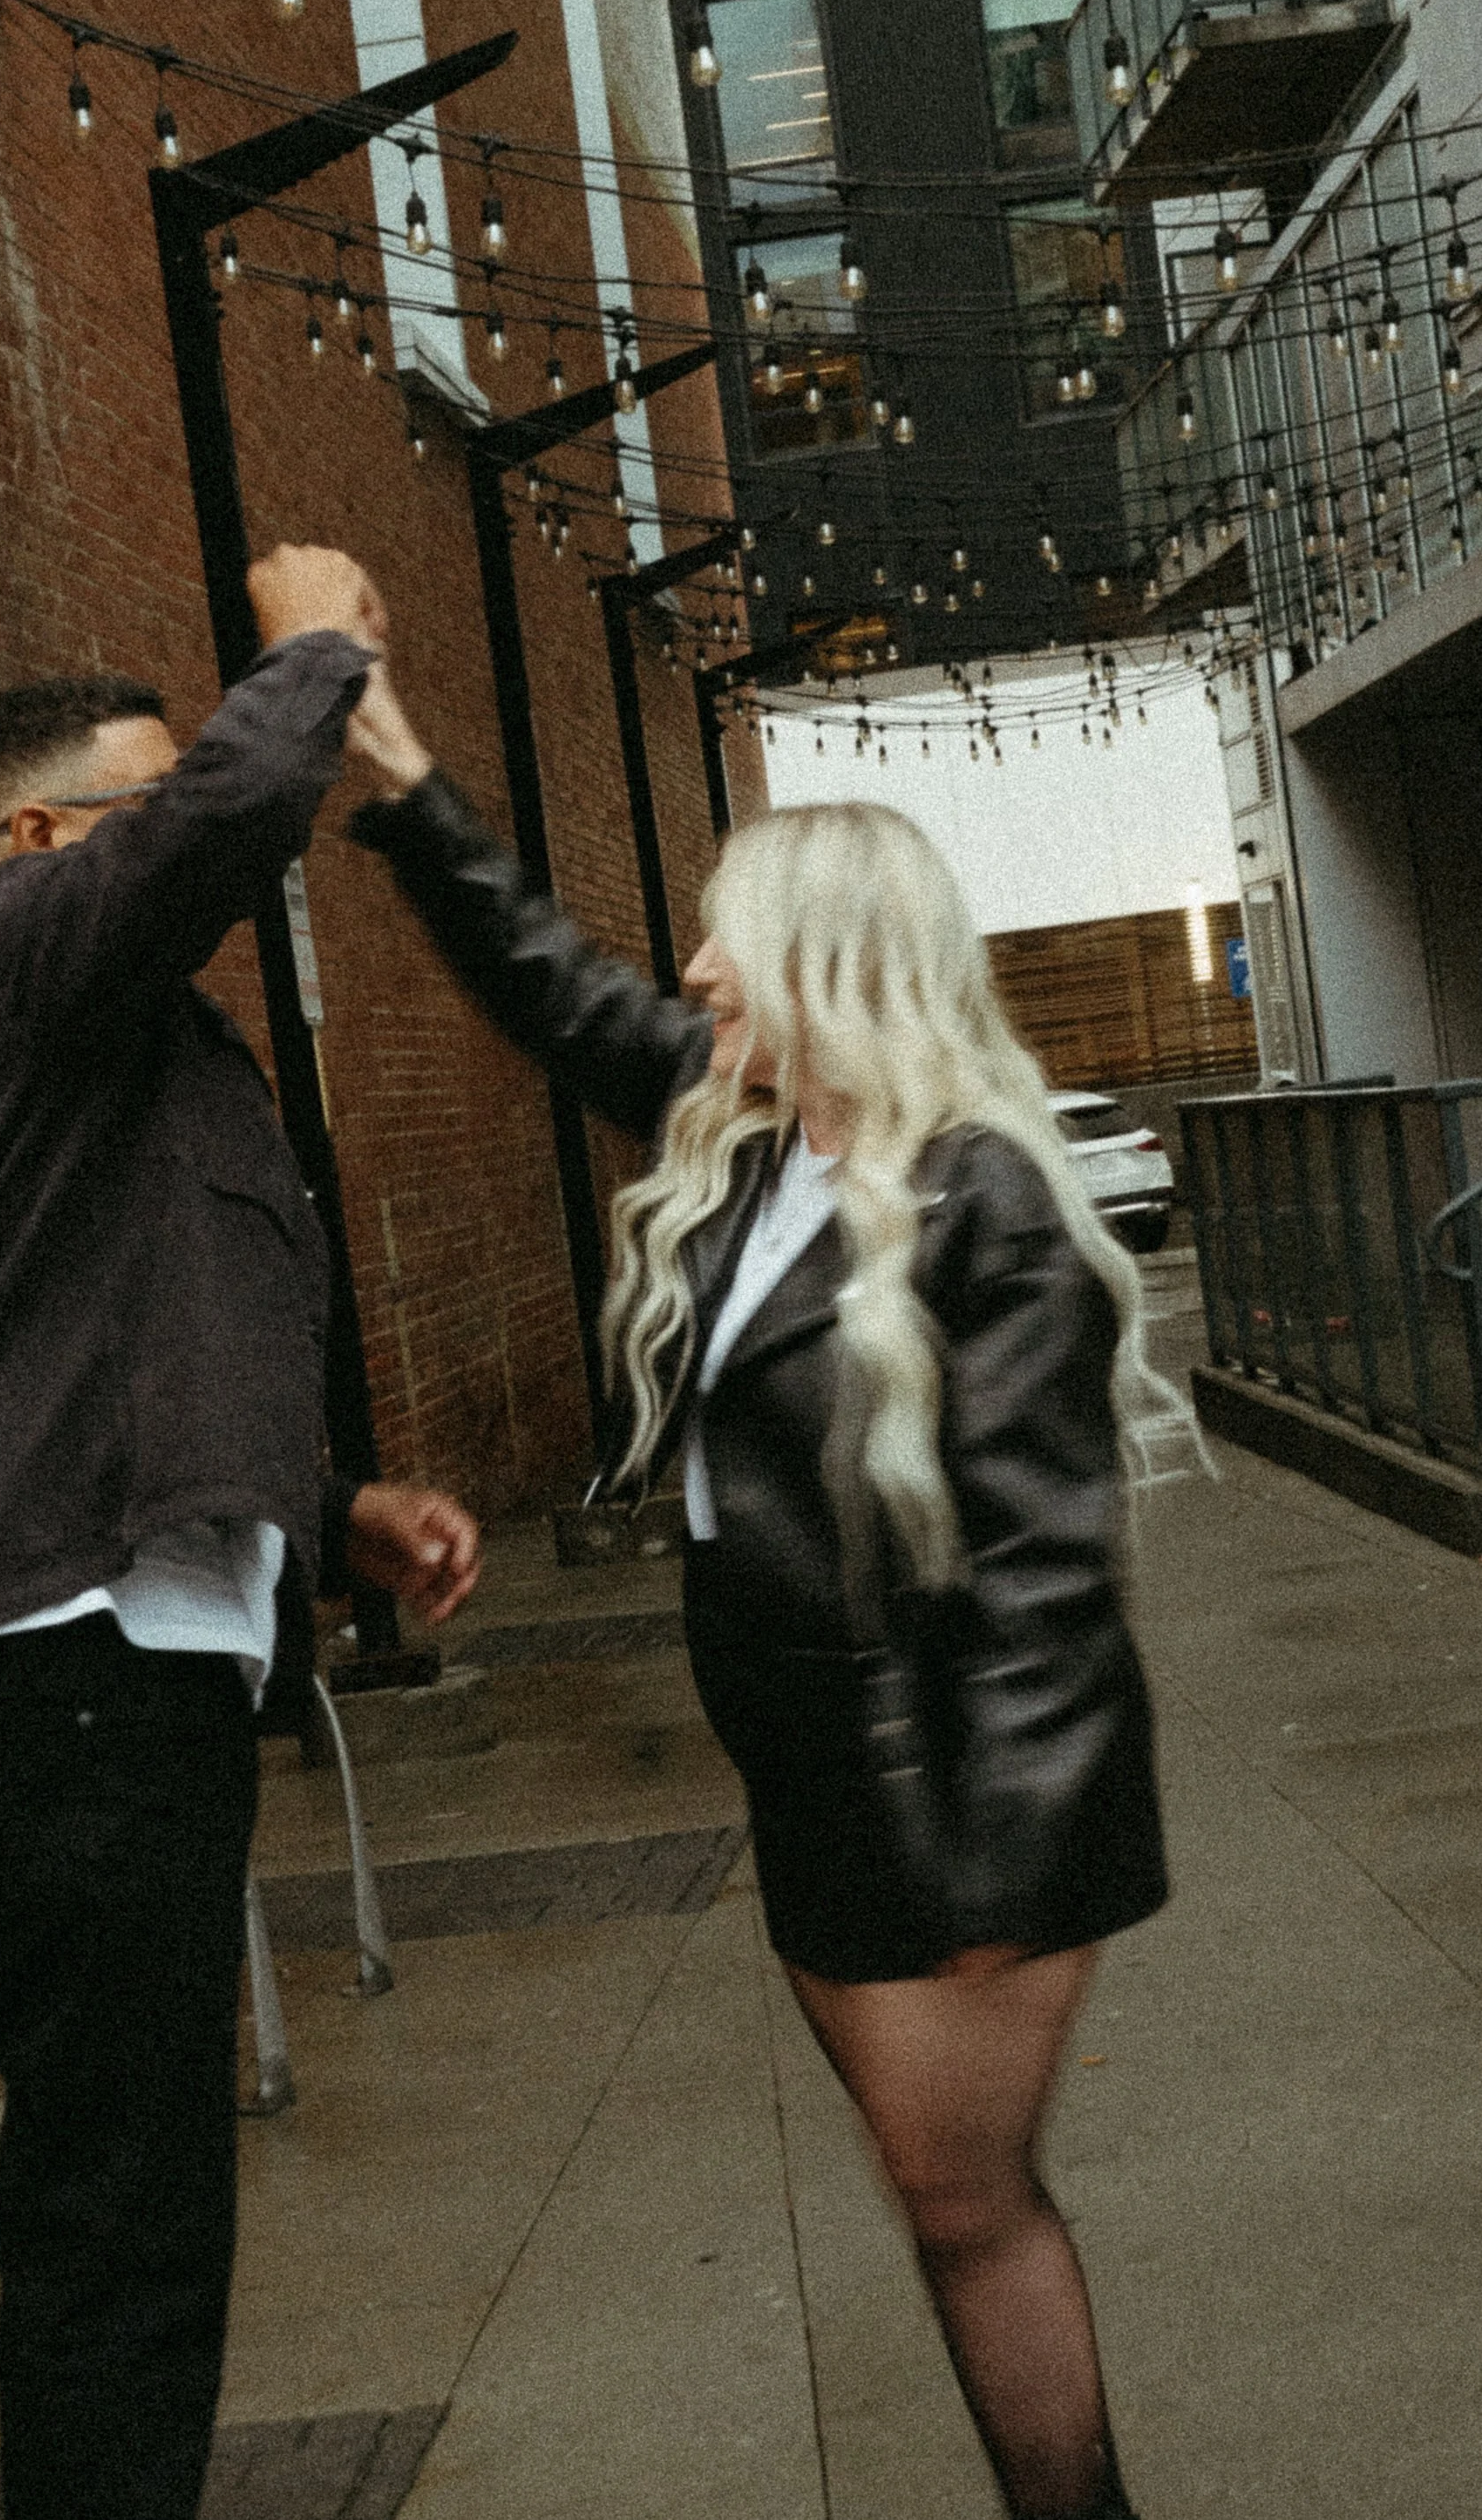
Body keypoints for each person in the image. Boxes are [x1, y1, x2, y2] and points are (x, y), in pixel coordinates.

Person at [343, 662, 1173, 2520]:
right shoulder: (750, 1149)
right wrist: (397, 774)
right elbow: (543, 982)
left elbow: (1053, 1591)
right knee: (937, 2206)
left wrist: (993, 1874)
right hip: (814, 1786)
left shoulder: (982, 1206)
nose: (695, 982)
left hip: (950, 1800)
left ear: (835, 966)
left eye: (730, 951)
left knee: (968, 2209)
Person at [0, 546, 480, 2520]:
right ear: (30, 839)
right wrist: (307, 655)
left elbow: (122, 1352)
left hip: (125, 1674)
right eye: (146, 796)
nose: (209, 848)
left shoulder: (119, 1050)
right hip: (60, 1680)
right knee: (123, 2221)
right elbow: (205, 833)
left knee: (132, 2204)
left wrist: (322, 1509)